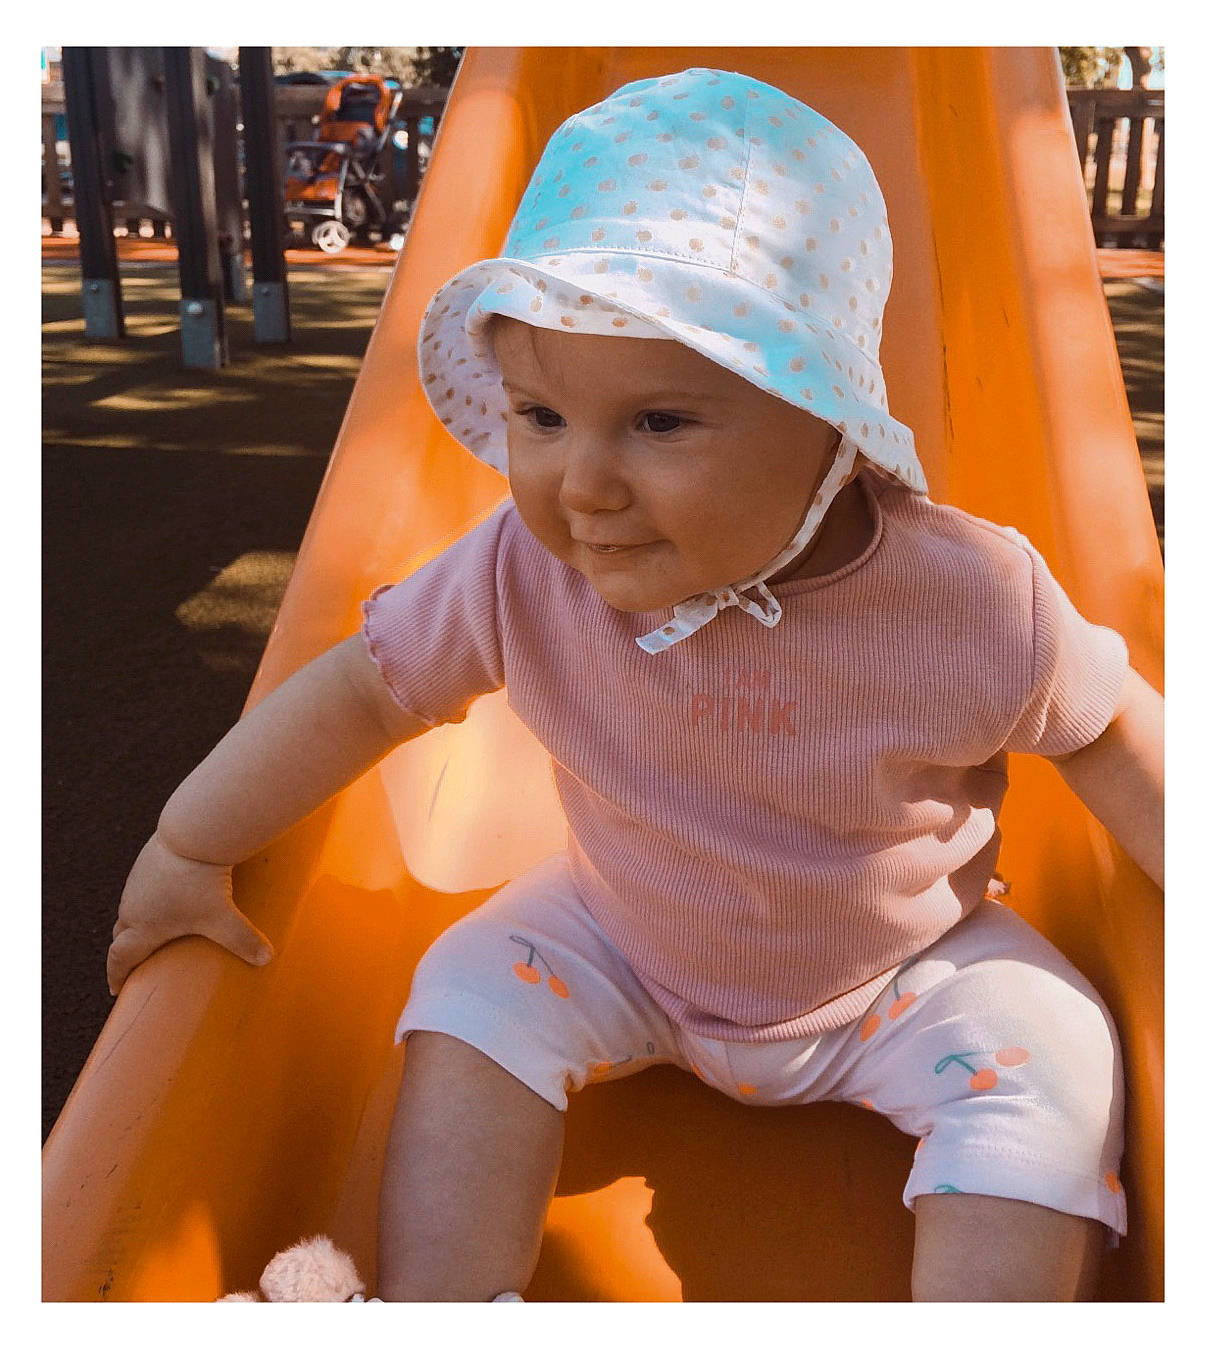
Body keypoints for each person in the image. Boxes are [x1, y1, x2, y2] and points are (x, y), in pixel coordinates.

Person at [106, 68, 1164, 1303]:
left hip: (900, 974)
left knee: (1059, 1054)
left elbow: (1115, 733)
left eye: (660, 422)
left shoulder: (968, 595)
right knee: (463, 985)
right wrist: (189, 838)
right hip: (619, 938)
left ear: (832, 427)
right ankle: (443, 1306)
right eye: (541, 416)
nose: (582, 485)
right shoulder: (520, 572)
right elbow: (362, 691)